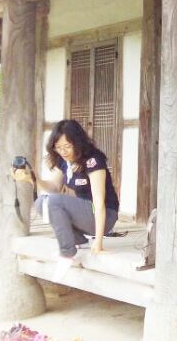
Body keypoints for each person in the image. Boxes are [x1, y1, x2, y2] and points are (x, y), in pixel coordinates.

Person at [12, 119, 119, 281]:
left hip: (105, 215)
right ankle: (77, 240)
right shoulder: (64, 161)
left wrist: (98, 243)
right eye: (58, 147)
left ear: (78, 142)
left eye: (67, 146)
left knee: (53, 201)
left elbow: (99, 202)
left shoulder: (93, 160)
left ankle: (67, 253)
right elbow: (54, 187)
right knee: (41, 202)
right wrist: (31, 179)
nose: (63, 151)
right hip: (86, 215)